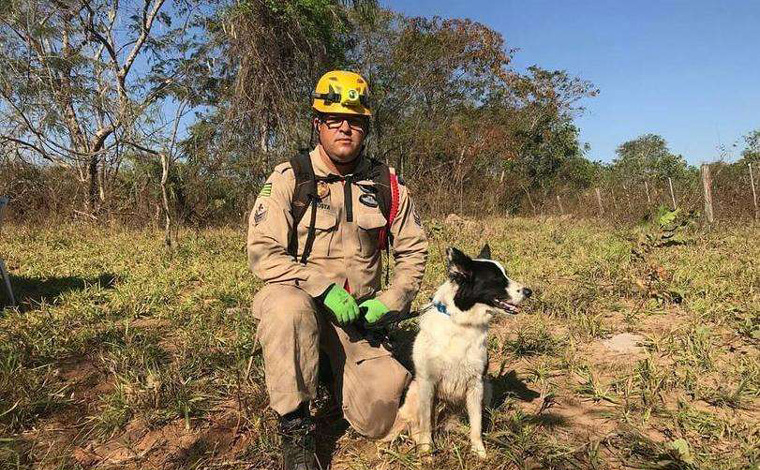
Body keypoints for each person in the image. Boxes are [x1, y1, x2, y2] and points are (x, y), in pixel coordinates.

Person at [247, 70, 428, 470]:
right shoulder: (289, 178)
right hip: (299, 303)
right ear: (318, 123)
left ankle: (331, 367)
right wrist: (322, 288)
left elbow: (413, 251)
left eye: (356, 120)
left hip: (357, 319)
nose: (345, 128)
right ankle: (295, 427)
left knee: (381, 415)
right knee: (288, 310)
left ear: (366, 126)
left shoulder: (387, 184)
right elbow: (263, 254)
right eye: (334, 119)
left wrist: (391, 300)